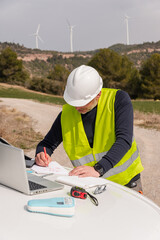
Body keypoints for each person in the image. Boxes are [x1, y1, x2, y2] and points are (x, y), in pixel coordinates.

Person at [35, 65, 144, 191]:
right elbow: (47, 144)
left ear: (98, 94)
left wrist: (98, 169)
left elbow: (124, 140)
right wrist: (41, 154)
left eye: (81, 103)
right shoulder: (66, 114)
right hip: (91, 186)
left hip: (126, 184)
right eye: (73, 102)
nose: (76, 108)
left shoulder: (118, 100)